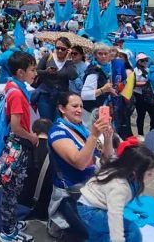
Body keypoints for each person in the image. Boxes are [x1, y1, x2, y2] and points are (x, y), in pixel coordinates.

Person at [47, 91, 113, 238]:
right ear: (62, 109)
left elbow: (107, 159)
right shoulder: (57, 132)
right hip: (72, 194)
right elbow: (79, 163)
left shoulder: (82, 129)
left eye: (81, 106)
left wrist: (108, 138)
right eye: (74, 106)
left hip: (91, 188)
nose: (79, 110)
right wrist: (94, 136)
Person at [77, 141, 154, 242]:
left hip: (88, 205)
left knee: (98, 235)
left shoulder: (122, 167)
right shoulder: (120, 186)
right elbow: (115, 216)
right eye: (149, 174)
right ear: (136, 171)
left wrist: (108, 138)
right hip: (90, 211)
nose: (152, 176)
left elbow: (110, 156)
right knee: (132, 232)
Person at [0, 51, 37, 242]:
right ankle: (7, 232)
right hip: (17, 147)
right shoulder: (17, 94)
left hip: (16, 145)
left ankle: (11, 222)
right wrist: (32, 137)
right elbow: (16, 126)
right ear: (20, 72)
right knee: (11, 190)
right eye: (32, 69)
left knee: (13, 188)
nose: (34, 73)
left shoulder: (14, 87)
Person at [34, 37, 78, 120]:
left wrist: (68, 60)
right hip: (45, 96)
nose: (60, 51)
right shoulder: (48, 56)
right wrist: (47, 72)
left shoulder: (69, 62)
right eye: (57, 48)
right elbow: (37, 71)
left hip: (61, 98)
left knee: (60, 122)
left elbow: (73, 76)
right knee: (46, 122)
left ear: (68, 50)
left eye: (63, 49)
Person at [19, 118, 53, 221]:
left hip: (21, 206)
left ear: (33, 131)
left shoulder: (23, 148)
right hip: (45, 211)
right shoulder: (57, 151)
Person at [133, 53, 154, 136]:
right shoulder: (135, 71)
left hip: (149, 95)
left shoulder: (148, 70)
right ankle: (140, 134)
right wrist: (145, 83)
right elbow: (133, 83)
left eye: (146, 60)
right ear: (138, 61)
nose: (145, 62)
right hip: (139, 96)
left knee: (153, 115)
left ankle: (152, 133)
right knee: (141, 116)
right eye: (142, 60)